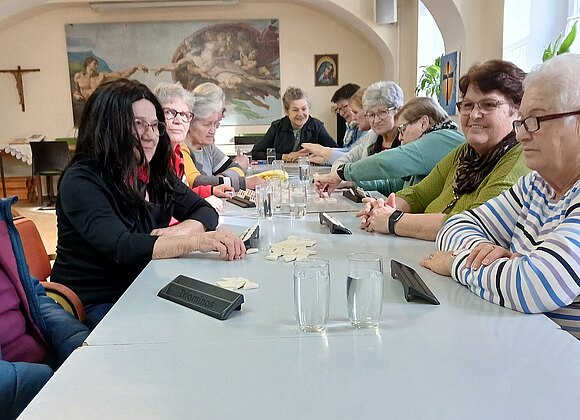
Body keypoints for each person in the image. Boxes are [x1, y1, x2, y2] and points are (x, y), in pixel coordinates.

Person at [51, 79, 245, 329]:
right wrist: (197, 241)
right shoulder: (81, 181)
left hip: (146, 282)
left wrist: (177, 233)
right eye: (138, 124)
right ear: (108, 126)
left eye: (154, 125)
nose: (150, 135)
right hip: (97, 301)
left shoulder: (153, 172)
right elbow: (122, 246)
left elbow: (205, 211)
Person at [421, 54, 580, 339]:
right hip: (518, 340)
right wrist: (486, 256)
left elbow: (536, 286)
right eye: (522, 122)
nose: (521, 136)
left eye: (535, 120)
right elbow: (454, 225)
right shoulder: (536, 185)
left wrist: (455, 263)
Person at [358, 60, 530, 241]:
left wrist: (393, 220)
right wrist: (384, 209)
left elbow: (475, 225)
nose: (474, 115)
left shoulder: (519, 159)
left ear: (518, 111)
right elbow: (418, 194)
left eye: (488, 105)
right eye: (468, 105)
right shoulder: (465, 152)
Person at [1, 197, 90, 420]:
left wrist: (76, 341)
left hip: (44, 365)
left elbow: (33, 293)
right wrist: (49, 380)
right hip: (26, 386)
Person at [315, 97, 465, 196]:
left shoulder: (442, 138)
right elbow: (393, 185)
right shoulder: (432, 142)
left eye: (402, 129)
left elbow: (384, 162)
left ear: (423, 123)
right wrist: (350, 182)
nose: (400, 137)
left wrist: (342, 173)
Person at [153, 82, 233, 198]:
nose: (178, 121)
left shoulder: (176, 153)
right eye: (169, 113)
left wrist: (211, 191)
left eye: (184, 115)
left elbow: (180, 194)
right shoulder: (152, 155)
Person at [183, 89, 263, 190]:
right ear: (189, 123)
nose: (213, 130)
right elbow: (197, 183)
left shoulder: (208, 147)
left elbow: (236, 167)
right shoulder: (181, 148)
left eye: (215, 124)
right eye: (207, 125)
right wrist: (241, 183)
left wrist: (219, 180)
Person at [252, 87, 338, 162]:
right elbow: (255, 153)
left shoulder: (317, 126)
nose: (300, 114)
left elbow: (336, 152)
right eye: (295, 110)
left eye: (304, 109)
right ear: (287, 111)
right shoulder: (277, 127)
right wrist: (285, 156)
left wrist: (312, 154)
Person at [301, 83, 367, 164]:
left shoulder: (368, 131)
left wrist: (323, 153)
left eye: (345, 107)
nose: (341, 113)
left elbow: (353, 158)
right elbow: (350, 152)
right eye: (339, 109)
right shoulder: (352, 126)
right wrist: (322, 152)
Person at [72, 56, 148, 102]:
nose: (97, 66)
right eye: (94, 64)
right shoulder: (79, 76)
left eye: (97, 64)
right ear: (88, 64)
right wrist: (76, 96)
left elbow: (121, 74)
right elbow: (75, 92)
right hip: (84, 103)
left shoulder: (101, 76)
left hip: (97, 103)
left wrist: (135, 68)